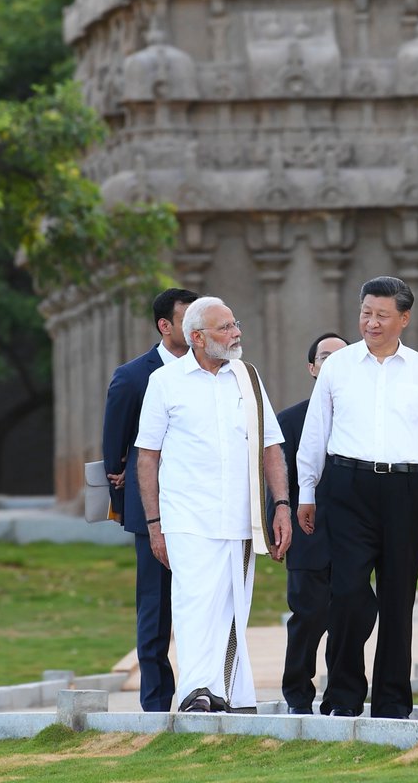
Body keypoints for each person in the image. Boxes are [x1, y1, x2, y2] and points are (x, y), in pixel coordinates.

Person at [297, 275, 418, 720]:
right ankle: (344, 697)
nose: (371, 322)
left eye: (382, 315)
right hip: (347, 488)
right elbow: (315, 434)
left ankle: (391, 703)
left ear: (403, 319)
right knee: (348, 593)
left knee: (397, 598)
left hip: (407, 490)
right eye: (366, 313)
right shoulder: (338, 366)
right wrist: (306, 492)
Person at [135, 295, 292, 714]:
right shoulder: (165, 382)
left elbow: (271, 446)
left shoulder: (248, 377)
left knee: (233, 608)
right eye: (225, 327)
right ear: (198, 337)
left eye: (235, 323)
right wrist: (154, 524)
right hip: (186, 517)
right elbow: (147, 457)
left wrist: (281, 505)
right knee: (192, 603)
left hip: (241, 518)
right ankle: (195, 693)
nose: (236, 332)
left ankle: (230, 697)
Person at [102, 287, 197, 713]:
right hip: (152, 511)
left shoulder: (215, 369)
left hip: (204, 506)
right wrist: (127, 502)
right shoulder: (132, 375)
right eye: (187, 320)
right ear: (165, 326)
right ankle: (156, 702)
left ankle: (206, 692)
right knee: (156, 608)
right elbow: (115, 450)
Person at [268, 332, 348, 715]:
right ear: (312, 368)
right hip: (308, 535)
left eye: (342, 356)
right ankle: (298, 696)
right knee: (308, 616)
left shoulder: (365, 418)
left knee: (349, 619)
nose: (333, 362)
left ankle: (341, 699)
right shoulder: (289, 420)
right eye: (325, 356)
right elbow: (278, 479)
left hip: (355, 536)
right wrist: (278, 526)